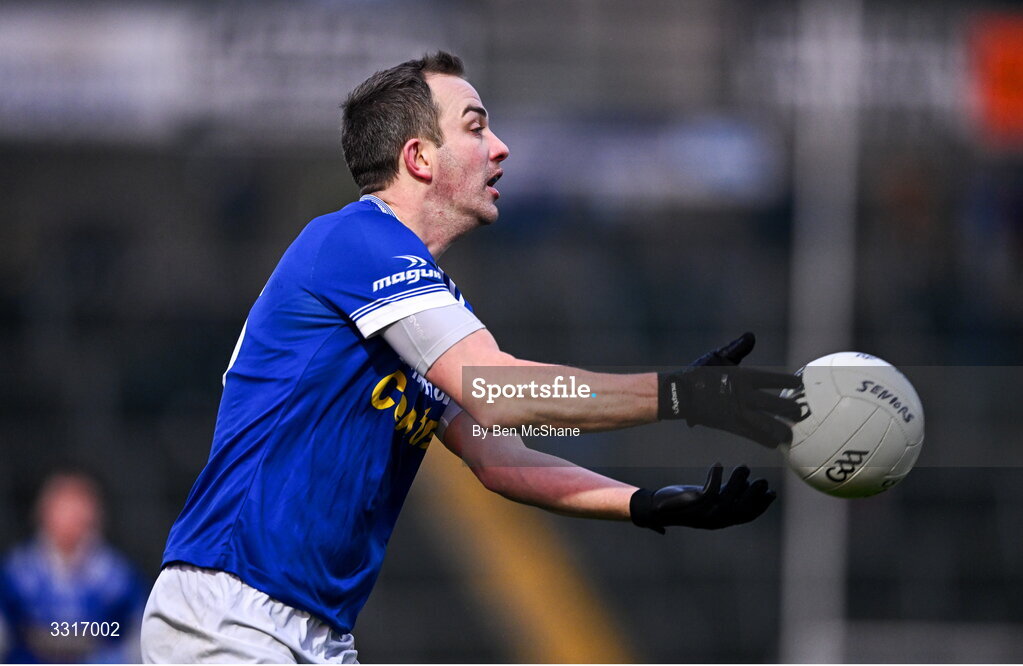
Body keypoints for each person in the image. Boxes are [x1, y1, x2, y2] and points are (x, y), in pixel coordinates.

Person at [140, 51, 801, 663]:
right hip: (230, 610)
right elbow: (499, 391)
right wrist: (680, 394)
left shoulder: (417, 297)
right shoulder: (357, 243)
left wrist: (642, 503)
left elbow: (497, 456)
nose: (499, 147)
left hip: (312, 631)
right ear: (420, 157)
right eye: (476, 127)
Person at [0, 471, 146, 663]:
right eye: (63, 507)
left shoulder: (117, 579)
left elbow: (138, 637)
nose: (72, 517)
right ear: (44, 511)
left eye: (80, 507)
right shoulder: (17, 573)